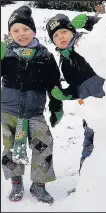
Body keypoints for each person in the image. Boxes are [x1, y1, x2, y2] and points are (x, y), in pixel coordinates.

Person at [1, 6, 64, 204]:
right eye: (16, 30)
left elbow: (54, 84)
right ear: (10, 34)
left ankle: (39, 184)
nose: (21, 34)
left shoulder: (45, 57)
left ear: (34, 31)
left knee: (44, 145)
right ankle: (16, 181)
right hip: (8, 111)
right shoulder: (6, 55)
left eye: (25, 29)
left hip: (34, 111)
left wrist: (56, 107)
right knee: (9, 148)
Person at [45, 14, 105, 170]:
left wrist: (90, 22)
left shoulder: (87, 41)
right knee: (90, 143)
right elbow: (78, 88)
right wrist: (66, 94)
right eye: (55, 36)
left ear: (72, 30)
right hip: (91, 111)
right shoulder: (65, 62)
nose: (60, 37)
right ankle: (87, 180)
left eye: (63, 31)